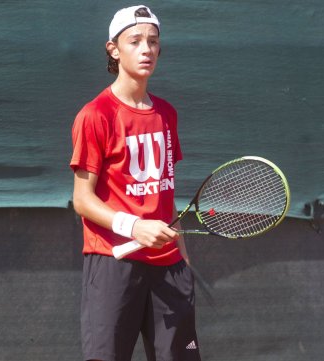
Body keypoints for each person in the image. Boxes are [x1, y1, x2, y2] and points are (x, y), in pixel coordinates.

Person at [70, 5, 201, 361]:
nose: (147, 49)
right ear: (113, 49)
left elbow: (165, 194)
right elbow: (82, 199)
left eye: (153, 41)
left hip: (169, 268)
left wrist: (184, 263)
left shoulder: (166, 114)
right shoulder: (95, 115)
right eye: (136, 41)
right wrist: (134, 227)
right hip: (114, 264)